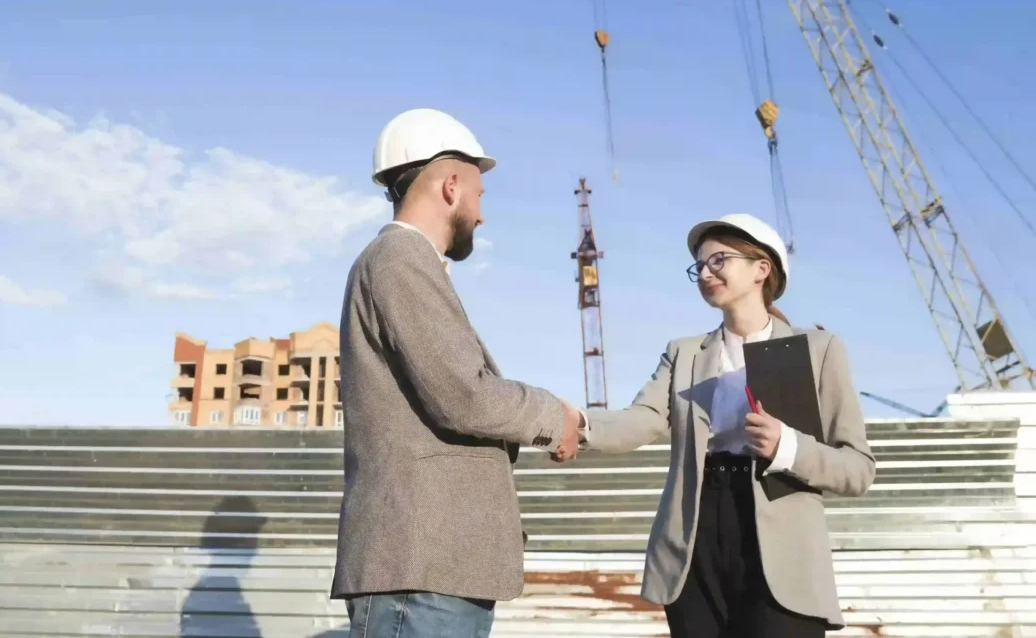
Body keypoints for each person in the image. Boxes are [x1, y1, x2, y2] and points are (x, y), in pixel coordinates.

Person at [331, 108, 580, 637]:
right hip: (419, 572)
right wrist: (554, 416)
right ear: (450, 186)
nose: (482, 215)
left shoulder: (401, 264)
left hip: (433, 572)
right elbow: (465, 396)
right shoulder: (398, 259)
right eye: (480, 195)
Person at [572, 213, 875, 636]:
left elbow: (858, 469)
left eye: (719, 260)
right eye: (700, 266)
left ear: (761, 268)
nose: (706, 273)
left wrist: (787, 447)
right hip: (696, 538)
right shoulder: (684, 353)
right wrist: (578, 424)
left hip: (781, 547)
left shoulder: (816, 349)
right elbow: (641, 420)